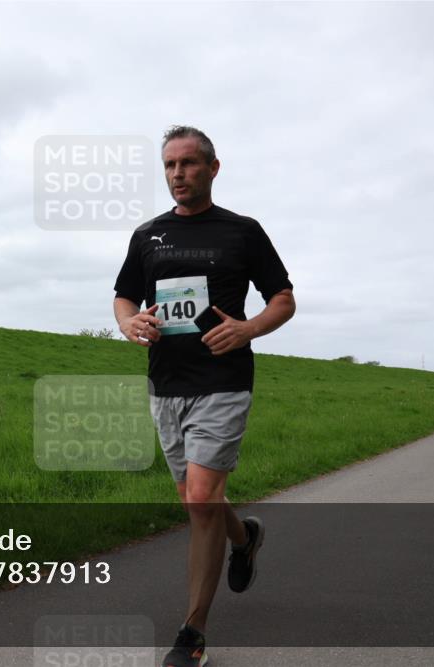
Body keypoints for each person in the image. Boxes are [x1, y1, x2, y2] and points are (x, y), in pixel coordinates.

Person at [113, 126, 295, 667]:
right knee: (199, 502)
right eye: (169, 165)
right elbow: (124, 296)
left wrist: (247, 329)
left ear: (213, 168)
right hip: (166, 385)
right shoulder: (148, 235)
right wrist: (130, 323)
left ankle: (192, 633)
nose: (177, 175)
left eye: (189, 164)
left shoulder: (242, 232)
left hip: (223, 381)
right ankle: (244, 539)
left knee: (199, 501)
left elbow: (282, 299)